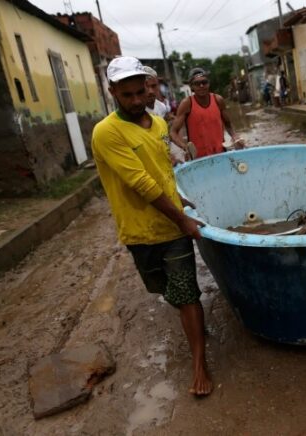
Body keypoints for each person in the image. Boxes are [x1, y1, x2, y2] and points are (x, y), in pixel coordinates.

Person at [91, 56, 213, 396]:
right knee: (166, 290)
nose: (134, 101)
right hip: (141, 233)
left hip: (172, 231)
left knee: (187, 294)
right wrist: (184, 218)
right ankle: (195, 325)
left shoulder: (158, 125)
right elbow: (141, 184)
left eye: (139, 92)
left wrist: (181, 204)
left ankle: (199, 364)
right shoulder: (107, 132)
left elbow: (161, 172)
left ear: (148, 88)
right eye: (125, 95)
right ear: (112, 90)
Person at [170, 68, 244, 159]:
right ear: (191, 87)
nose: (201, 85)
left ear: (208, 83)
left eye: (204, 82)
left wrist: (234, 136)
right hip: (198, 159)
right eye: (197, 84)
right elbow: (173, 132)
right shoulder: (187, 104)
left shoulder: (218, 100)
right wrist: (185, 147)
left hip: (221, 154)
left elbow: (228, 125)